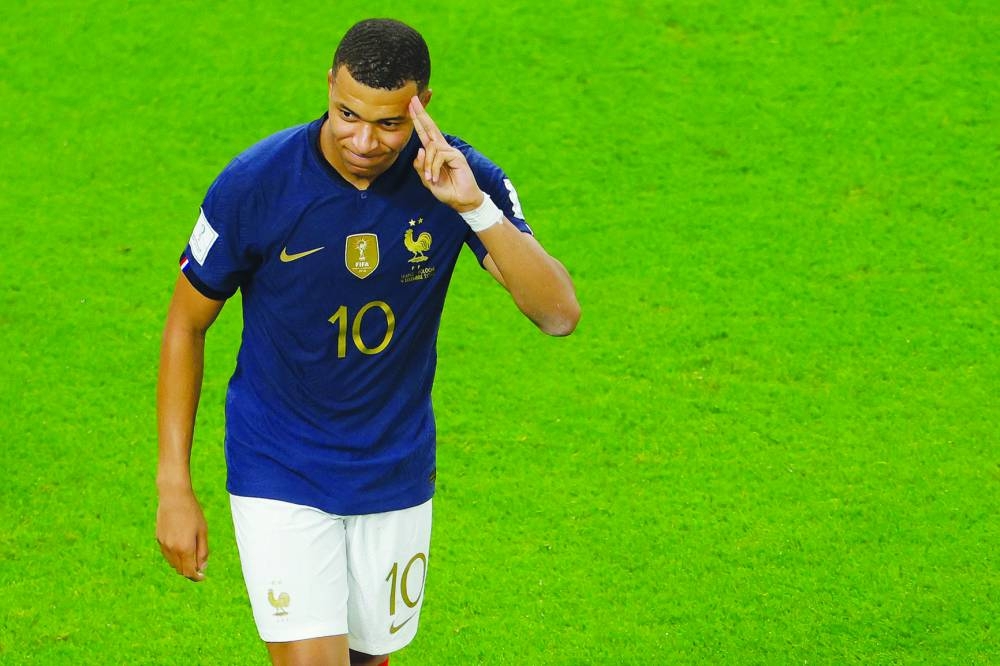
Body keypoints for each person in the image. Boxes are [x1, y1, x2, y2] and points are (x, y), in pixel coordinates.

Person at [155, 17, 579, 666]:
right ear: (328, 86)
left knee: (366, 662)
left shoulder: (459, 179)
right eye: (346, 114)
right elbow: (186, 323)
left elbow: (558, 314)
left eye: (388, 124)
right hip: (280, 464)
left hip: (394, 471)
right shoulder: (255, 185)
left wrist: (473, 208)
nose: (363, 140)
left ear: (422, 106)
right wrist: (174, 486)